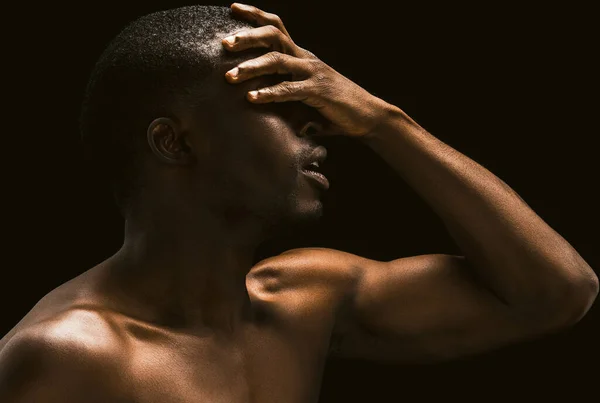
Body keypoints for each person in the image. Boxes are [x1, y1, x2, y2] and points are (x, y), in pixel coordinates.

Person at [0, 3, 597, 402]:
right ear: (174, 140)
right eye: (280, 107)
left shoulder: (303, 302)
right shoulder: (69, 356)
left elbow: (557, 291)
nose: (316, 128)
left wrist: (385, 123)